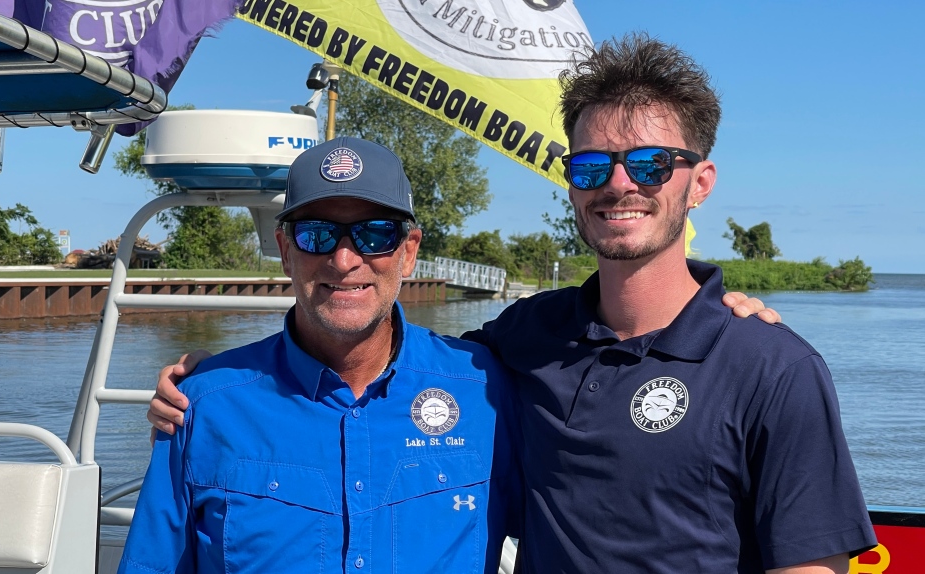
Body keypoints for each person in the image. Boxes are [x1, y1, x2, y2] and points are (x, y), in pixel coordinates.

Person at [146, 35, 874, 573]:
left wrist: (745, 323)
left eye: (650, 163)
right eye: (592, 165)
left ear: (700, 181)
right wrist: (219, 379)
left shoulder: (773, 366)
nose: (619, 184)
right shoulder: (521, 345)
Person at [119, 137, 522, 574]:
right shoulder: (200, 407)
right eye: (317, 234)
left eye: (375, 233)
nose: (345, 259)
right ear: (286, 252)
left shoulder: (488, 391)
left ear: (408, 252)